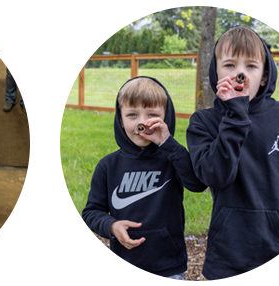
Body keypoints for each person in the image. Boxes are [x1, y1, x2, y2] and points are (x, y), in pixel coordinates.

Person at [187, 26, 279, 280]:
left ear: (264, 75)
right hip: (228, 253)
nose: (239, 74)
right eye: (229, 65)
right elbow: (215, 176)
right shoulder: (203, 122)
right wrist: (236, 115)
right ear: (216, 72)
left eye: (250, 66)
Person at [82, 76, 206, 279]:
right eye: (132, 115)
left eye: (152, 114)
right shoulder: (108, 166)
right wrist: (112, 226)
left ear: (165, 118)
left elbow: (197, 183)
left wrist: (169, 144)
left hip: (168, 265)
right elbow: (92, 212)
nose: (142, 123)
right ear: (120, 120)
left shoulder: (172, 158)